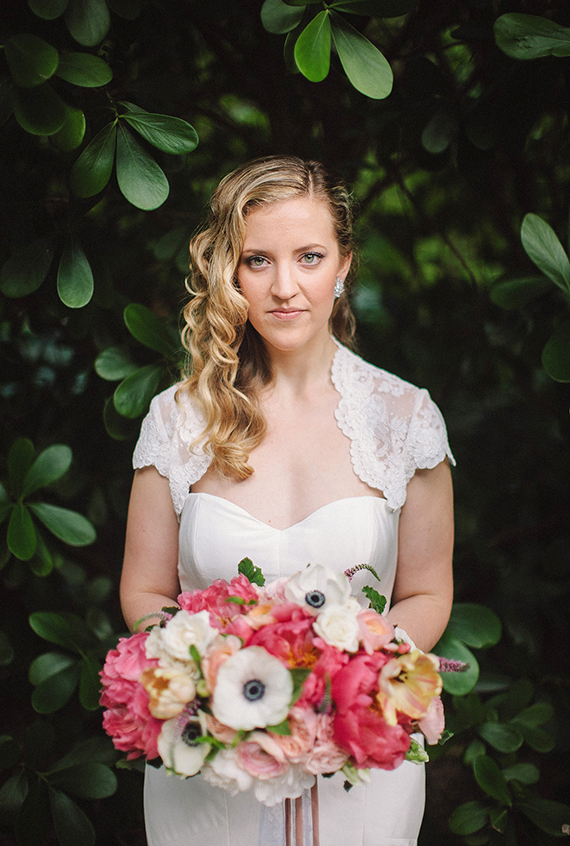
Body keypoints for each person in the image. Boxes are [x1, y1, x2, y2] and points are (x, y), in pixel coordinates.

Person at [120, 155, 455, 846]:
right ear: (228, 273)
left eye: (309, 257)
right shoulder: (178, 420)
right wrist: (210, 675)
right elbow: (144, 588)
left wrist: (355, 671)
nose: (285, 287)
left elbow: (426, 592)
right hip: (209, 766)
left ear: (343, 264)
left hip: (359, 757)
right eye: (257, 261)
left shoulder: (406, 418)